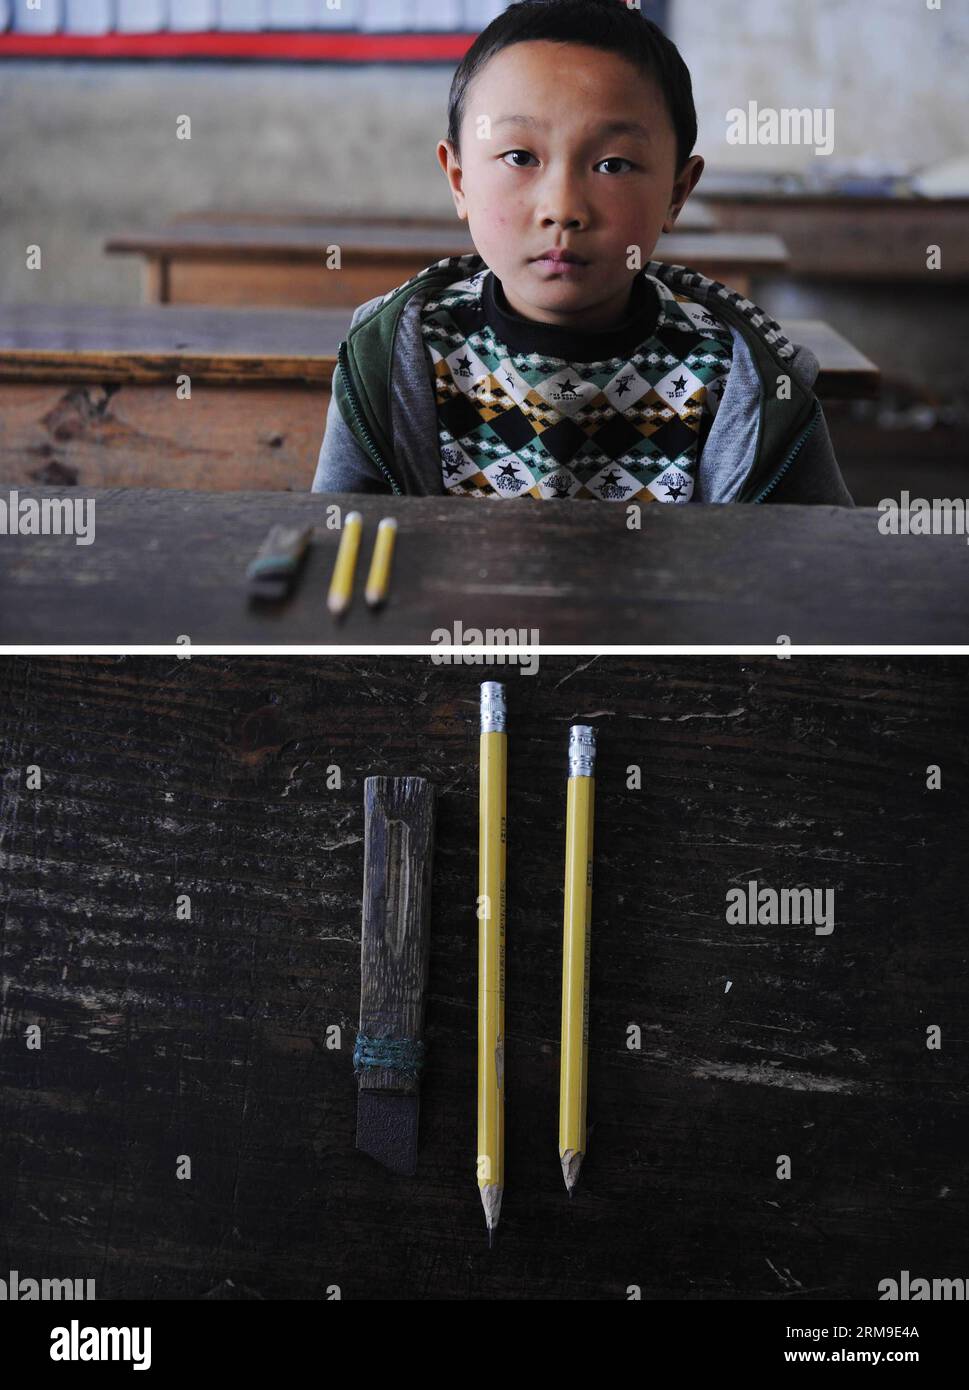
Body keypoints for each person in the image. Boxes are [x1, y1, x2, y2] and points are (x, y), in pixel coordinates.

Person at [313, 0, 853, 506]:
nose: (563, 208)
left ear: (676, 193)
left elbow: (814, 568)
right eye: (520, 156)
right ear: (459, 180)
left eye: (613, 165)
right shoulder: (396, 357)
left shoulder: (742, 374)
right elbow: (342, 557)